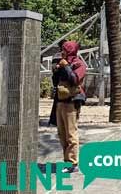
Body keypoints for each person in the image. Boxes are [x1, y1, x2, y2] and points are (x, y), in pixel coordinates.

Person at [53, 41, 87, 173]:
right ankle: (66, 160)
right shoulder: (62, 62)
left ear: (70, 51)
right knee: (62, 134)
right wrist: (56, 70)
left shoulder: (79, 64)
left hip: (71, 102)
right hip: (60, 102)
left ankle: (73, 163)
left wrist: (66, 67)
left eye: (64, 50)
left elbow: (74, 80)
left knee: (71, 133)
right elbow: (56, 82)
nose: (63, 52)